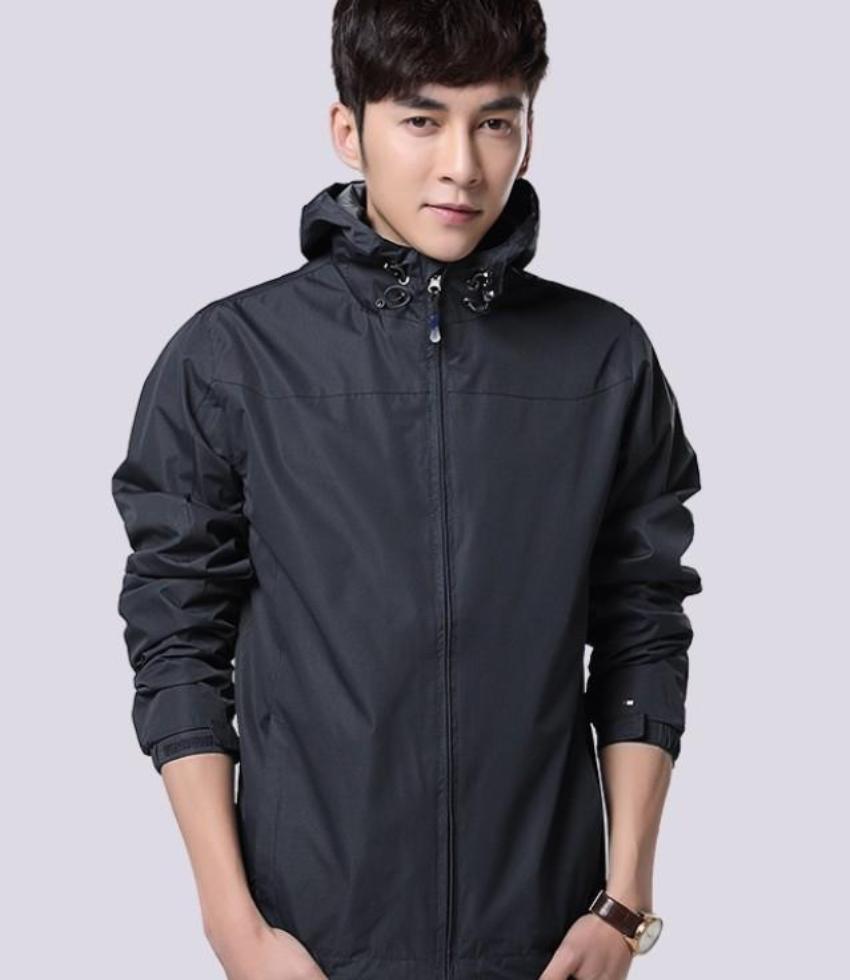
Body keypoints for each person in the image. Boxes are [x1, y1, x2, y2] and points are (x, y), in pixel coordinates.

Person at [110, 2, 703, 978]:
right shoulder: (230, 359)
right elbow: (177, 638)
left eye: (495, 121)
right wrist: (233, 926)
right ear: (349, 129)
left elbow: (643, 624)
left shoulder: (604, 359)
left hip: (545, 940)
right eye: (421, 120)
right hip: (309, 941)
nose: (461, 166)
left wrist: (624, 900)